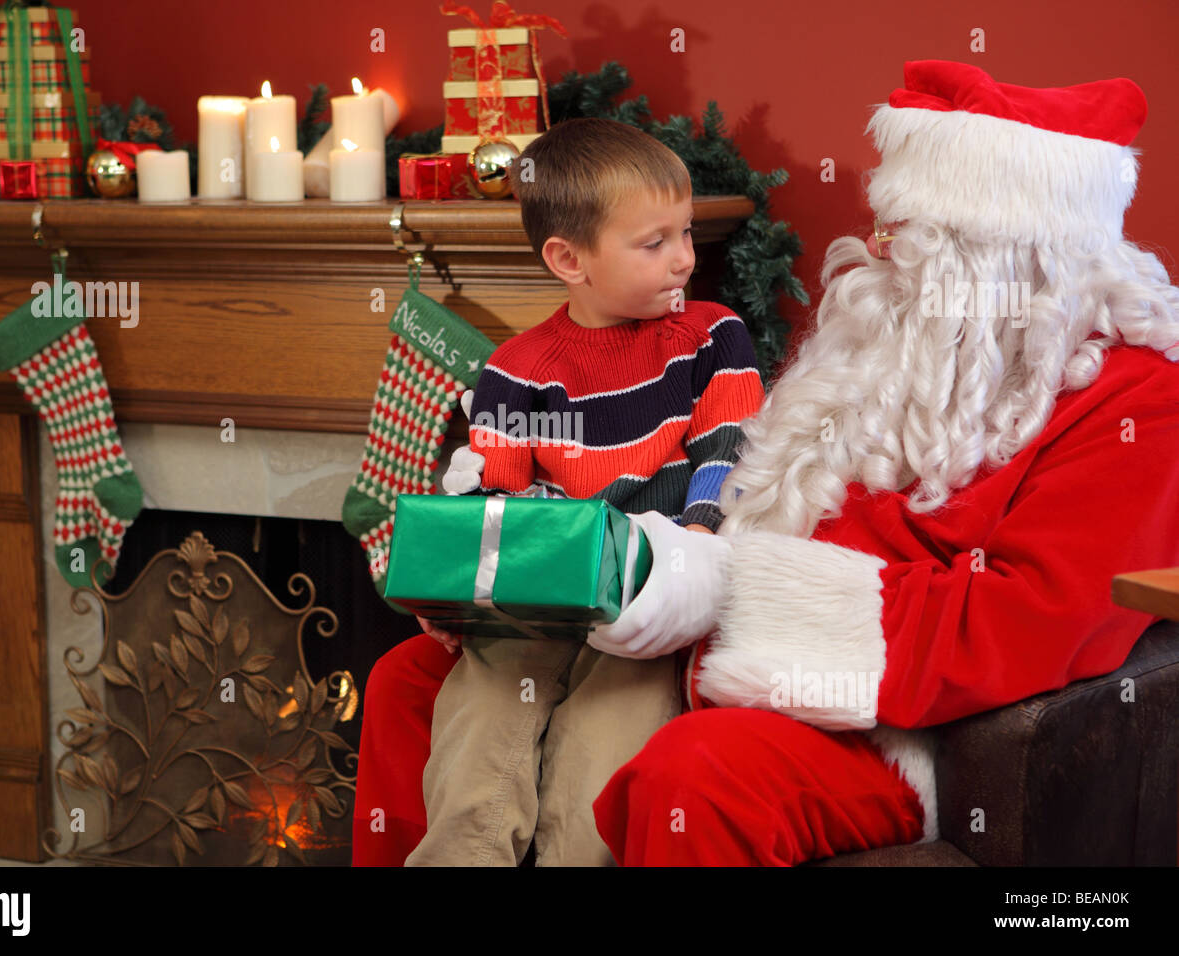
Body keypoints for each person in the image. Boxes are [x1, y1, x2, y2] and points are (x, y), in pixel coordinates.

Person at [354, 60, 1179, 866]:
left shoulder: (1135, 398)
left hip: (876, 721)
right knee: (410, 679)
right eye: (889, 222)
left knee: (694, 780)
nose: (881, 248)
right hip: (689, 635)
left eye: (915, 234)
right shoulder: (891, 345)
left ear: (1008, 256)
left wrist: (718, 590)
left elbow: (1030, 620)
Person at [395, 117, 765, 866]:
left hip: (647, 600)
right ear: (569, 259)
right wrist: (453, 598)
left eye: (687, 234)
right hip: (536, 598)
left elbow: (732, 448)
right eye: (654, 243)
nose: (684, 260)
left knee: (597, 765)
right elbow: (491, 494)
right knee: (474, 752)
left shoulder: (711, 337)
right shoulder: (514, 369)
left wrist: (695, 542)